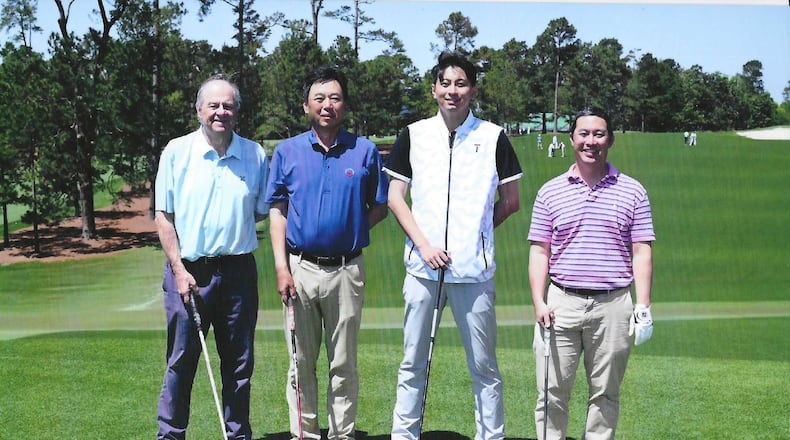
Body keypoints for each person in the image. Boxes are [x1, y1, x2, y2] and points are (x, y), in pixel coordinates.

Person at [385, 51, 523, 440]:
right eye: (445, 83)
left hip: (473, 274)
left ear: (473, 90)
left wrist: (477, 237)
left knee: (484, 368)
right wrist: (425, 245)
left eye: (461, 83)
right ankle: (404, 436)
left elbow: (511, 201)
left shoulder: (493, 137)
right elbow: (396, 197)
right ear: (433, 89)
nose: (452, 90)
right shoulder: (413, 134)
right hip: (422, 270)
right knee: (413, 364)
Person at [266, 66, 389, 440]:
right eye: (319, 98)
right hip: (299, 269)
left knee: (343, 363)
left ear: (345, 105)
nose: (327, 105)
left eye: (335, 98)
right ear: (306, 106)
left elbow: (379, 205)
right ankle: (305, 434)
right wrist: (281, 268)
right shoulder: (286, 152)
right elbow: (277, 210)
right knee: (301, 362)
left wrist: (350, 231)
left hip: (347, 271)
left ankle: (341, 434)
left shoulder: (364, 150)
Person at [528, 107, 655, 440]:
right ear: (572, 139)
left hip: (613, 306)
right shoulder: (550, 191)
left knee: (605, 395)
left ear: (610, 140)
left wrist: (643, 306)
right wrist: (538, 302)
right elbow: (540, 251)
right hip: (561, 303)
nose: (591, 141)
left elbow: (641, 250)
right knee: (551, 392)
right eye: (584, 134)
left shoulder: (633, 191)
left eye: (599, 134)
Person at [154, 74, 269, 440]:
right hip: (188, 273)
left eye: (228, 105)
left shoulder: (255, 154)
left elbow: (261, 210)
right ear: (199, 110)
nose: (221, 112)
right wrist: (178, 267)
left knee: (239, 364)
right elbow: (164, 215)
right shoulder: (176, 151)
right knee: (181, 362)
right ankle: (171, 435)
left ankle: (237, 434)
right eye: (213, 105)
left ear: (237, 111)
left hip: (238, 273)